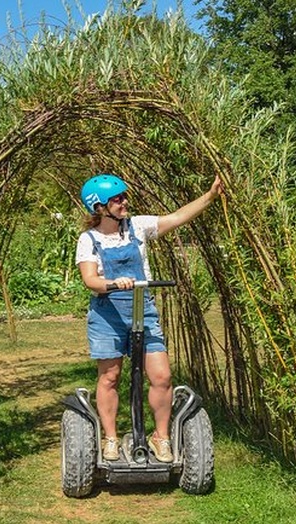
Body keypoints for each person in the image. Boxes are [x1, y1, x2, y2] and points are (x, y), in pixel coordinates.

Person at [75, 173, 222, 463]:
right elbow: (90, 280)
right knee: (109, 377)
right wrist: (116, 283)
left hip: (144, 309)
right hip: (108, 315)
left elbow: (177, 217)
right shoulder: (89, 240)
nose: (124, 202)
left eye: (123, 197)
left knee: (162, 376)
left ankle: (161, 438)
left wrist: (210, 195)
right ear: (99, 207)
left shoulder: (138, 227)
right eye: (117, 199)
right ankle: (111, 439)